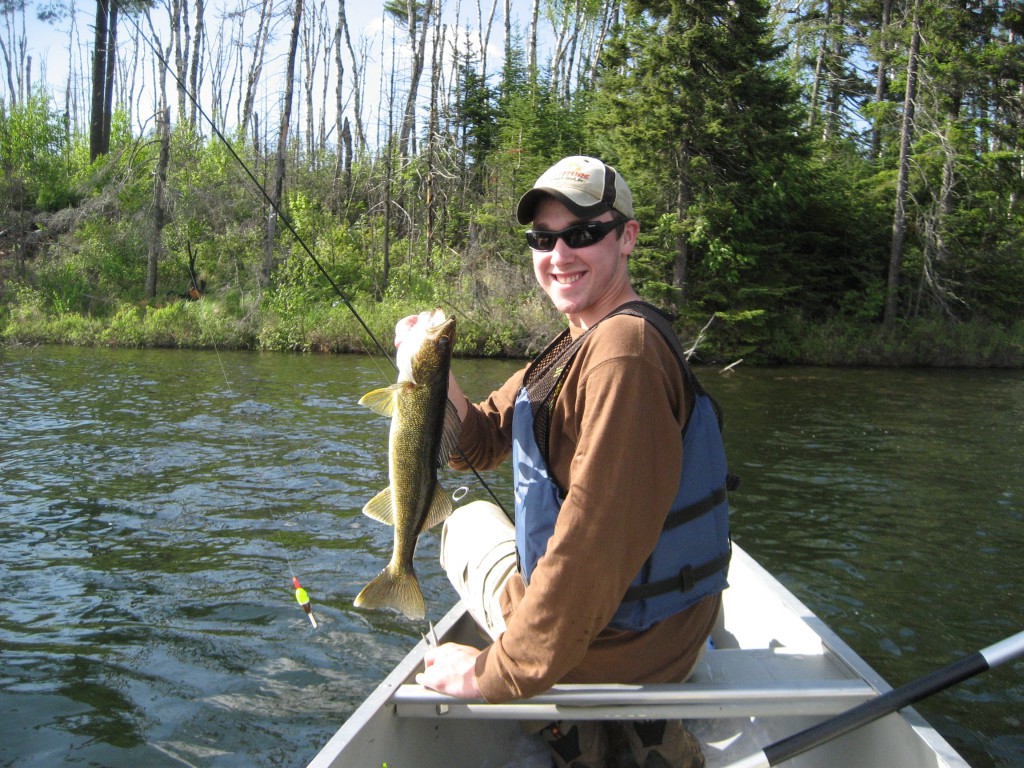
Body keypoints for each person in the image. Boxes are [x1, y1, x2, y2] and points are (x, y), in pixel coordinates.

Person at [400, 156, 732, 768]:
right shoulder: (581, 340)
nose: (559, 253)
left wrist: (492, 674)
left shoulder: (620, 355)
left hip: (619, 647)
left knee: (464, 525)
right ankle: (622, 726)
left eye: (582, 234)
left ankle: (586, 722)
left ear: (626, 237)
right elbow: (478, 442)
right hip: (649, 629)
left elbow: (590, 547)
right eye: (543, 238)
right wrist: (431, 375)